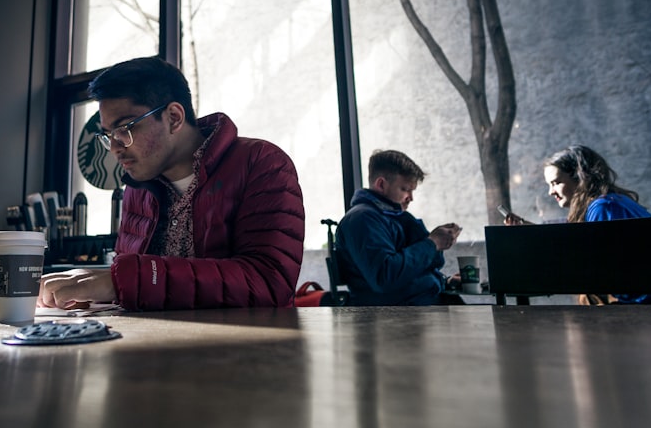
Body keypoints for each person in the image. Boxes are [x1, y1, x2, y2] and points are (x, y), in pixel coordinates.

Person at [39, 56, 305, 311]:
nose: (115, 148)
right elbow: (129, 288)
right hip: (151, 349)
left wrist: (126, 281)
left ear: (174, 118)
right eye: (109, 135)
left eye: (125, 129)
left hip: (243, 351)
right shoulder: (137, 188)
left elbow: (269, 284)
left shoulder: (261, 163)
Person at [504, 145, 651, 304]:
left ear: (581, 178)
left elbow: (590, 265)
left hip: (647, 305)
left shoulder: (604, 208)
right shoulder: (609, 202)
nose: (550, 192)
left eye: (556, 182)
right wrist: (530, 230)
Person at [334, 149, 463, 306]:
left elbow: (410, 273)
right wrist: (432, 243)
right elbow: (385, 277)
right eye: (405, 189)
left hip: (419, 306)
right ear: (381, 184)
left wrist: (444, 281)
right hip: (397, 316)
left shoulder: (392, 217)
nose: (411, 198)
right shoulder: (362, 220)